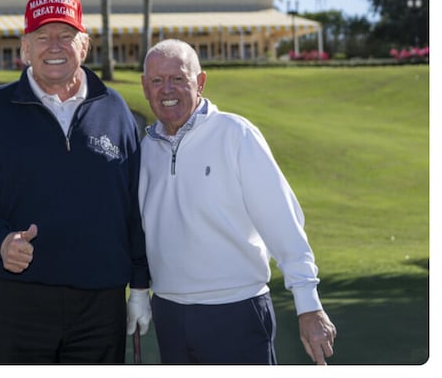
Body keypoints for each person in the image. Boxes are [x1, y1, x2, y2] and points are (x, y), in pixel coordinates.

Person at [0, 0, 151, 364]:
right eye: (42, 37)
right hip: (14, 300)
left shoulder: (115, 109)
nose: (54, 46)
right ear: (25, 48)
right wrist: (0, 240)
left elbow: (134, 207)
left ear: (85, 45)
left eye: (66, 35)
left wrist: (139, 283)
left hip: (99, 302)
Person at [138, 39, 337, 365]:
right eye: (157, 81)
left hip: (237, 311)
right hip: (169, 314)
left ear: (200, 82)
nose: (166, 89)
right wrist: (140, 293)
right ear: (145, 88)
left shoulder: (236, 134)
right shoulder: (146, 149)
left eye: (177, 79)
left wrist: (309, 304)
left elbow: (282, 221)